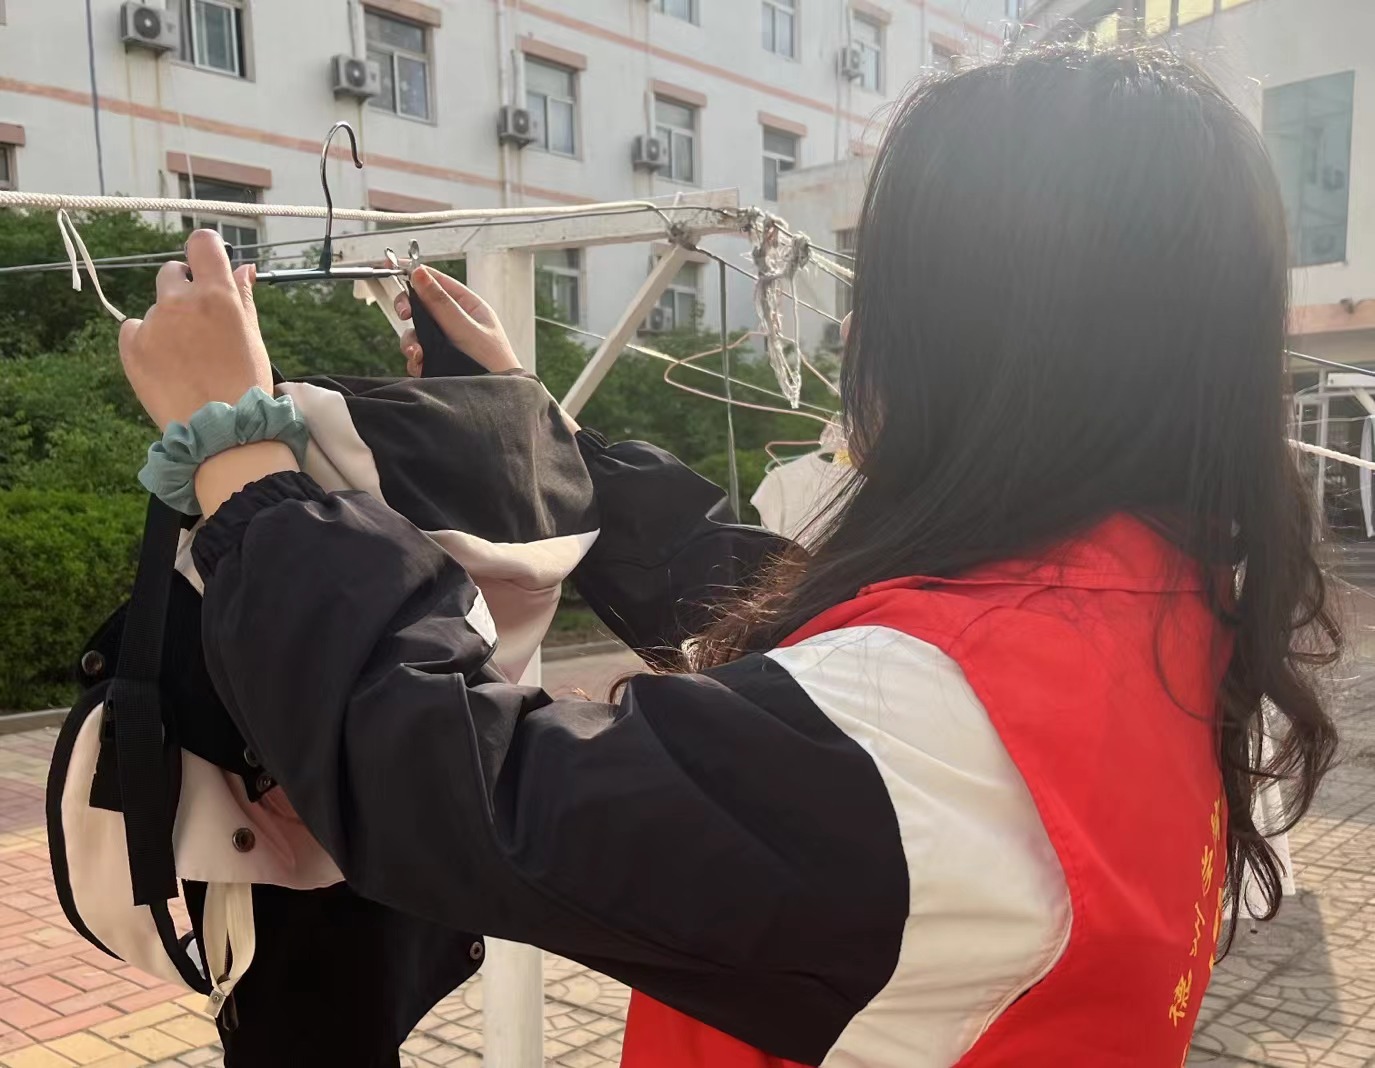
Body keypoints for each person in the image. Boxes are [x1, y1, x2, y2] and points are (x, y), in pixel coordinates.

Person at [115, 46, 1339, 1068]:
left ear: (991, 338)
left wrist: (242, 466)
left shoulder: (929, 737)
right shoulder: (1158, 606)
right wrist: (532, 428)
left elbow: (472, 793)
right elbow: (761, 606)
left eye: (889, 285)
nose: (852, 332)